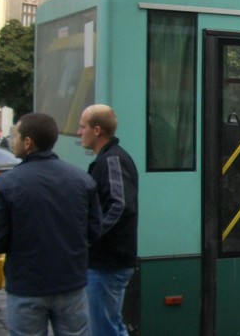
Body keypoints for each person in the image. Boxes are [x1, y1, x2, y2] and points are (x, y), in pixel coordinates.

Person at [0, 113, 102, 336]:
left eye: (15, 135)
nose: (12, 140)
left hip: (26, 285)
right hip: (70, 283)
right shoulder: (82, 180)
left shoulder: (6, 184)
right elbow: (94, 231)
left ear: (28, 142)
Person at [78, 104, 139, 336]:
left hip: (108, 261)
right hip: (108, 260)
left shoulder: (112, 160)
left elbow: (120, 204)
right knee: (110, 325)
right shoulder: (109, 158)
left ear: (97, 130)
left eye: (82, 127)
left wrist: (92, 235)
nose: (78, 132)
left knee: (104, 328)